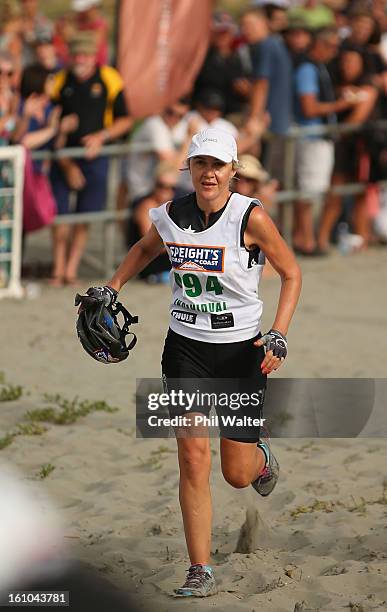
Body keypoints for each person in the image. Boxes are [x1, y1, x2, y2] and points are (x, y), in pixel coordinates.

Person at [81, 128, 302, 597]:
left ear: (233, 171)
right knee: (192, 455)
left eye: (218, 165)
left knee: (235, 473)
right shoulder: (169, 216)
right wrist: (112, 286)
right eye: (201, 163)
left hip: (243, 352)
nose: (209, 172)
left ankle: (260, 459)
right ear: (190, 169)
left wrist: (278, 335)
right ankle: (200, 568)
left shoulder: (251, 217)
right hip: (186, 350)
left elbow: (291, 272)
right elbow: (145, 249)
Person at [49, 31, 131, 286]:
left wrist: (101, 137)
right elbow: (50, 121)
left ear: (94, 56)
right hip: (62, 154)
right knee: (59, 215)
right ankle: (58, 268)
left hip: (96, 157)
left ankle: (71, 270)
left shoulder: (109, 78)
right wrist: (63, 153)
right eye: (76, 55)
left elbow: (125, 119)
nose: (81, 59)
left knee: (85, 215)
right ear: (70, 57)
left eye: (85, 54)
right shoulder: (60, 81)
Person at [292, 27, 355, 255]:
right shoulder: (308, 69)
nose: (335, 51)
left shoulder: (318, 68)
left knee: (315, 191)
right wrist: (342, 105)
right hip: (311, 137)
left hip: (319, 138)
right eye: (332, 46)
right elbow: (309, 108)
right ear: (320, 45)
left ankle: (309, 239)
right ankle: (305, 240)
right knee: (309, 191)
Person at [317, 45, 378, 251]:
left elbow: (356, 120)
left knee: (361, 193)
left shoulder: (368, 86)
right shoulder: (337, 84)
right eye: (345, 61)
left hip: (361, 147)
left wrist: (348, 105)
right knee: (336, 193)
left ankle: (362, 239)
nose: (347, 66)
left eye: (352, 61)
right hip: (343, 148)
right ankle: (322, 239)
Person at [241, 7, 292, 187]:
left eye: (251, 24)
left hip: (269, 125)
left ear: (264, 24)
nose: (247, 30)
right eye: (244, 25)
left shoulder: (266, 46)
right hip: (277, 124)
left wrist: (254, 118)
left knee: (260, 180)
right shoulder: (275, 44)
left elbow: (262, 84)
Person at [126, 162, 177, 283]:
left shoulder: (173, 205)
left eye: (172, 187)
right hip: (151, 262)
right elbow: (151, 243)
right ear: (154, 185)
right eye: (161, 186)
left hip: (169, 257)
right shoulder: (147, 206)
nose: (166, 191)